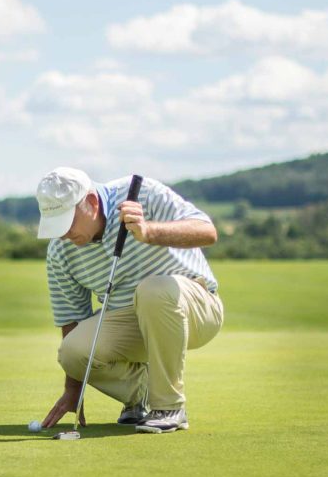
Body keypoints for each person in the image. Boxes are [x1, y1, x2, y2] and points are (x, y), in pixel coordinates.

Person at [36, 167, 224, 433]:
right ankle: (140, 394)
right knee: (72, 352)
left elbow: (207, 232)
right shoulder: (61, 251)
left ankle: (169, 407)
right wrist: (73, 390)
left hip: (194, 307)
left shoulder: (142, 193)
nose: (63, 233)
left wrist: (148, 232)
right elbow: (71, 319)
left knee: (153, 290)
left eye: (67, 221)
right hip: (131, 320)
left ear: (90, 202)